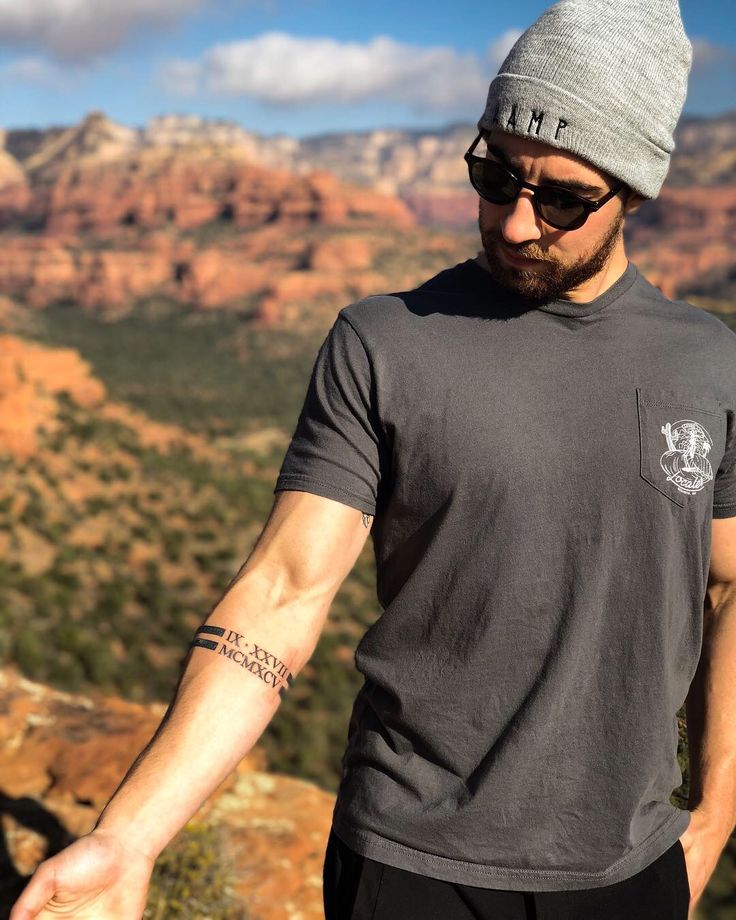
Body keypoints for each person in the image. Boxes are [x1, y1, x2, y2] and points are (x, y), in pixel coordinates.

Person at [11, 0, 736, 918]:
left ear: (633, 188)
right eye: (494, 176)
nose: (515, 224)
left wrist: (713, 816)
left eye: (560, 199)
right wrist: (130, 836)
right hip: (409, 864)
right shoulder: (385, 342)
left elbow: (727, 586)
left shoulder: (710, 361)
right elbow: (281, 595)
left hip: (630, 874)